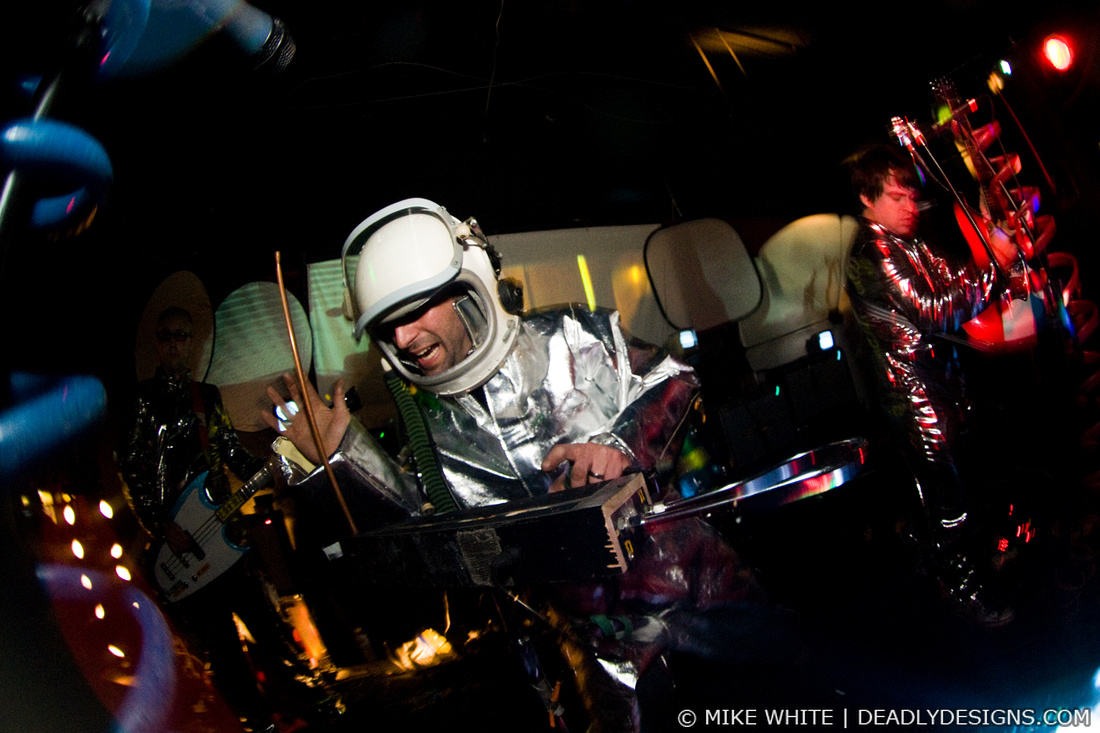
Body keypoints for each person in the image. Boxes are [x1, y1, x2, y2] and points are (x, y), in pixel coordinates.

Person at [264, 198, 795, 732]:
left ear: (467, 290)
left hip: (696, 596)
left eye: (416, 310)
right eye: (388, 325)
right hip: (594, 651)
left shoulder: (571, 332)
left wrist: (617, 444)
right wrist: (339, 456)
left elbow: (674, 376)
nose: (403, 339)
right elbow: (421, 534)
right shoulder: (429, 427)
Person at [844, 142, 1025, 626]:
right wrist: (996, 268)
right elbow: (934, 310)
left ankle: (956, 557)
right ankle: (963, 588)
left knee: (960, 485)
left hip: (941, 383)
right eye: (897, 198)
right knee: (949, 502)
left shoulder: (910, 243)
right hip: (913, 396)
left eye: (912, 198)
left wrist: (1000, 268)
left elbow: (954, 282)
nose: (910, 208)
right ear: (867, 198)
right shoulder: (870, 252)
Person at [119, 306, 309, 733]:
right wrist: (160, 526)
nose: (173, 343)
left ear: (192, 343)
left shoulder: (207, 396)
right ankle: (256, 720)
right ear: (156, 341)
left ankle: (309, 700)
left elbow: (230, 452)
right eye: (166, 335)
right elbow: (131, 469)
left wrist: (270, 464)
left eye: (181, 336)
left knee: (265, 621)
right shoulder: (142, 401)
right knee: (221, 645)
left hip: (225, 530)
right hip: (178, 538)